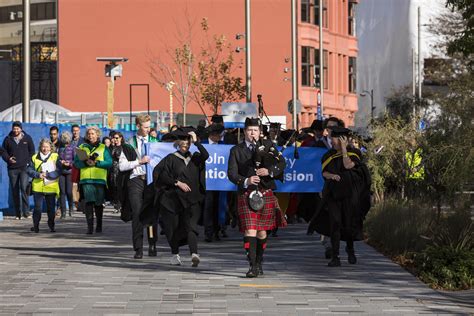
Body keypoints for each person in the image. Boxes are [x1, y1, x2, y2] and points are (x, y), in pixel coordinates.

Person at [227, 117, 287, 278]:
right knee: (249, 230)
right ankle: (252, 265)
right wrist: (245, 180)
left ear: (260, 132)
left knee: (262, 233)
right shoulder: (236, 150)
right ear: (244, 132)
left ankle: (259, 261)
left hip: (265, 192)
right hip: (246, 193)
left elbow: (282, 163)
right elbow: (231, 174)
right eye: (249, 130)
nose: (252, 133)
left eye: (255, 130)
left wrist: (269, 172)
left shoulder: (268, 146)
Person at [308, 126, 371, 267]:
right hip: (333, 194)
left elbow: (348, 165)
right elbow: (324, 173)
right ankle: (335, 256)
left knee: (348, 224)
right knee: (334, 223)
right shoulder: (328, 155)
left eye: (336, 139)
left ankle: (350, 249)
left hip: (350, 195)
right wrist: (331, 175)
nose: (334, 141)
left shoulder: (354, 153)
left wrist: (344, 149)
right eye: (333, 139)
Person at [153, 128, 208, 266]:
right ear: (177, 142)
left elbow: (206, 155)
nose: (185, 143)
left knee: (191, 226)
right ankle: (175, 254)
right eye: (183, 140)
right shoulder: (171, 159)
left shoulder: (195, 157)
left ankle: (194, 253)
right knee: (174, 228)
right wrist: (177, 183)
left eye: (188, 140)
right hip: (174, 200)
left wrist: (197, 142)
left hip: (192, 199)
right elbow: (160, 175)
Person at [118, 114, 159, 259]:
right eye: (145, 127)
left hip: (151, 181)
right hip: (135, 180)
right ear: (138, 126)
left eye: (149, 126)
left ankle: (153, 244)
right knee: (137, 214)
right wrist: (138, 162)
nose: (148, 129)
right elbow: (122, 166)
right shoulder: (129, 143)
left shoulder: (155, 141)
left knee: (151, 214)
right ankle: (138, 248)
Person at [74, 126, 112, 234]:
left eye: (93, 134)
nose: (91, 136)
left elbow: (109, 162)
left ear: (97, 135)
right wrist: (85, 163)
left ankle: (99, 225)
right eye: (89, 134)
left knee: (99, 203)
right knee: (89, 202)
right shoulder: (81, 147)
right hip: (86, 180)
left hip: (99, 180)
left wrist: (97, 163)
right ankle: (90, 227)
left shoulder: (103, 147)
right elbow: (76, 163)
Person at [27, 138, 62, 233]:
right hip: (37, 187)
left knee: (51, 209)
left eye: (47, 147)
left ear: (51, 147)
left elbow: (59, 171)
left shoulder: (55, 156)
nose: (45, 149)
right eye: (43, 147)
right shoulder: (34, 157)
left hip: (51, 187)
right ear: (40, 147)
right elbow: (29, 170)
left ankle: (51, 225)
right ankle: (36, 226)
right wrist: (38, 175)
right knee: (37, 208)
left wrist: (48, 175)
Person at [2, 121, 35, 219]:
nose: (16, 130)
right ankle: (18, 214)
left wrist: (28, 162)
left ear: (21, 129)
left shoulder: (27, 138)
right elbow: (3, 151)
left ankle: (26, 213)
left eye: (18, 128)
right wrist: (8, 159)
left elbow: (32, 151)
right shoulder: (7, 139)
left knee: (24, 188)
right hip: (12, 169)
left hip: (24, 168)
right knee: (15, 191)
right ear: (12, 129)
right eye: (14, 128)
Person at [201, 124, 227, 242]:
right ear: (213, 135)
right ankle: (208, 232)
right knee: (208, 206)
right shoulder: (203, 144)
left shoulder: (223, 145)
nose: (221, 137)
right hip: (207, 180)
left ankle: (216, 231)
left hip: (219, 180)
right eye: (219, 135)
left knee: (218, 206)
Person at [58, 131, 75, 218]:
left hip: (69, 172)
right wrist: (61, 162)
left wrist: (70, 164)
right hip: (61, 172)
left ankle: (71, 207)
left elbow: (75, 160)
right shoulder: (59, 149)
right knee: (62, 192)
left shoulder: (72, 148)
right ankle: (63, 212)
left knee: (69, 191)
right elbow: (57, 160)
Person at [109, 132, 124, 213]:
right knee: (114, 188)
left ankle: (121, 205)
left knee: (120, 189)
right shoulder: (112, 147)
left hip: (121, 170)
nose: (115, 139)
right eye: (114, 138)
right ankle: (116, 205)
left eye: (117, 138)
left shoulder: (123, 147)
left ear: (121, 138)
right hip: (113, 170)